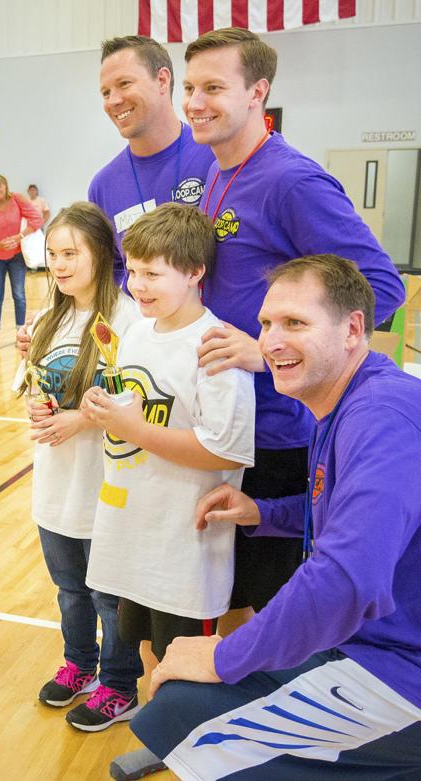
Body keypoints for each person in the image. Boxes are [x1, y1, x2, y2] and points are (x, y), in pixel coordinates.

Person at [132, 255, 421, 780]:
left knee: (181, 713)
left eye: (296, 323)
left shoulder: (381, 416)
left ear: (353, 328)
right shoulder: (348, 402)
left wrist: (223, 655)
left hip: (400, 671)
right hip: (378, 644)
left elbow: (344, 580)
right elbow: (342, 516)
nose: (271, 340)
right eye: (266, 324)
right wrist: (261, 513)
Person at [185, 27, 405, 632]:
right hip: (230, 420)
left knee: (269, 605)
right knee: (223, 593)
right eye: (190, 88)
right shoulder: (216, 171)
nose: (195, 103)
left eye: (213, 88)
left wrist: (267, 349)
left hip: (280, 436)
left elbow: (381, 288)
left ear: (258, 92)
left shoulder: (292, 181)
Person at [75, 203, 255, 731]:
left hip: (182, 542)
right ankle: (160, 732)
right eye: (132, 271)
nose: (138, 285)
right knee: (147, 645)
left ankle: (187, 742)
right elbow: (136, 404)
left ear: (195, 272)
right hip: (134, 529)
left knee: (185, 656)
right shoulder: (136, 333)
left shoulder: (215, 348)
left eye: (153, 273)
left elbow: (224, 449)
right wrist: (102, 409)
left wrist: (136, 429)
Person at [24, 202, 145, 730]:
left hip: (106, 482)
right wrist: (37, 404)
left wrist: (81, 420)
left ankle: (120, 685)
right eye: (52, 254)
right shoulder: (50, 317)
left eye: (70, 253)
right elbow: (37, 383)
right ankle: (80, 665)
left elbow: (140, 401)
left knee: (108, 595)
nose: (59, 264)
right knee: (69, 589)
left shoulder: (129, 316)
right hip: (55, 481)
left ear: (101, 251)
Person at [90, 35, 217, 284]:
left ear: (162, 80)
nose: (113, 100)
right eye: (106, 92)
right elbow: (109, 277)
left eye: (124, 84)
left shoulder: (215, 156)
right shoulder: (103, 186)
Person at [0, 173, 44, 348]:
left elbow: (37, 219)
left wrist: (18, 237)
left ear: (5, 186)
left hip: (17, 256)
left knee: (19, 295)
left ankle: (20, 335)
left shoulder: (17, 199)